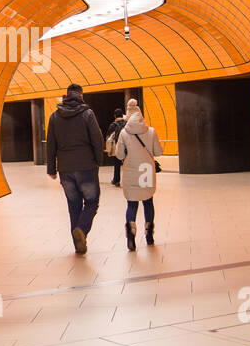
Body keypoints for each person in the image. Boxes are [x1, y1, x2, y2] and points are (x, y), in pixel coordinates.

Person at [46, 83, 104, 255]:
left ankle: (78, 244)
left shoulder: (55, 116)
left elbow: (51, 144)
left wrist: (51, 168)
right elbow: (97, 138)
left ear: (66, 95)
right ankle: (81, 230)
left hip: (65, 168)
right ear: (81, 95)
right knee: (92, 202)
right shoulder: (87, 113)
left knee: (74, 205)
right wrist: (98, 160)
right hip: (86, 166)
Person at [114, 105, 163, 251]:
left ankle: (131, 234)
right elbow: (158, 151)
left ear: (128, 116)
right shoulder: (151, 131)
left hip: (131, 171)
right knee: (148, 202)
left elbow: (120, 155)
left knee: (132, 204)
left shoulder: (124, 133)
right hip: (147, 170)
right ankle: (149, 234)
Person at [105, 107, 126, 186]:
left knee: (117, 164)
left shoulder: (113, 125)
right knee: (127, 164)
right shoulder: (126, 123)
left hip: (117, 147)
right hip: (126, 147)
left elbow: (108, 136)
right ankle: (128, 180)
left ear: (114, 116)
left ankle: (116, 180)